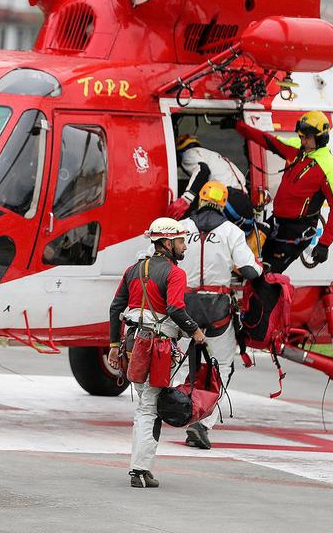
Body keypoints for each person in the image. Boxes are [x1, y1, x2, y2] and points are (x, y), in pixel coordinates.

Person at [107, 217, 206, 488]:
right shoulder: (175, 273)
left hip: (132, 344)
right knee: (149, 408)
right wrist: (196, 331)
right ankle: (139, 470)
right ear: (167, 243)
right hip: (156, 348)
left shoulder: (133, 270)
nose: (184, 246)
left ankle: (141, 468)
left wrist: (114, 346)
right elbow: (175, 308)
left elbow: (116, 308)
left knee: (145, 404)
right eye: (181, 241)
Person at [179, 181, 263, 449]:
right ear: (223, 203)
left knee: (180, 363)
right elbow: (250, 270)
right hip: (217, 309)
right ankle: (202, 423)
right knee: (222, 365)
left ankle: (171, 411)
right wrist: (258, 267)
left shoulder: (182, 226)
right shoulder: (231, 231)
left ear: (200, 200)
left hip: (184, 307)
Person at [234, 110, 333, 271]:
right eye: (301, 136)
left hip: (297, 231)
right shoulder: (296, 148)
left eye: (307, 137)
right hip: (277, 222)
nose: (303, 141)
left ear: (321, 138)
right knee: (248, 264)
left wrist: (324, 243)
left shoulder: (330, 168)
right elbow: (267, 140)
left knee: (267, 275)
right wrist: (239, 126)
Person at [169, 133, 253, 224]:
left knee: (197, 226)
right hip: (244, 202)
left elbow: (203, 170)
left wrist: (186, 200)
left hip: (226, 199)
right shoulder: (213, 156)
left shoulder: (188, 153)